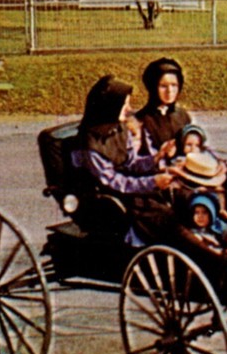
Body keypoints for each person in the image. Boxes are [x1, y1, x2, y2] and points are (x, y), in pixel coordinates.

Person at [72, 75, 176, 245]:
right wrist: (151, 182)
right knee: (166, 220)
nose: (129, 109)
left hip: (131, 190)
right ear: (110, 107)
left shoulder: (118, 129)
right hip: (112, 201)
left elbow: (131, 164)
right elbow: (114, 182)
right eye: (124, 104)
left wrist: (156, 157)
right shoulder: (89, 146)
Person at [135, 57, 191, 155]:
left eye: (174, 85)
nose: (169, 91)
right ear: (153, 87)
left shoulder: (183, 116)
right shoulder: (141, 120)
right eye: (163, 86)